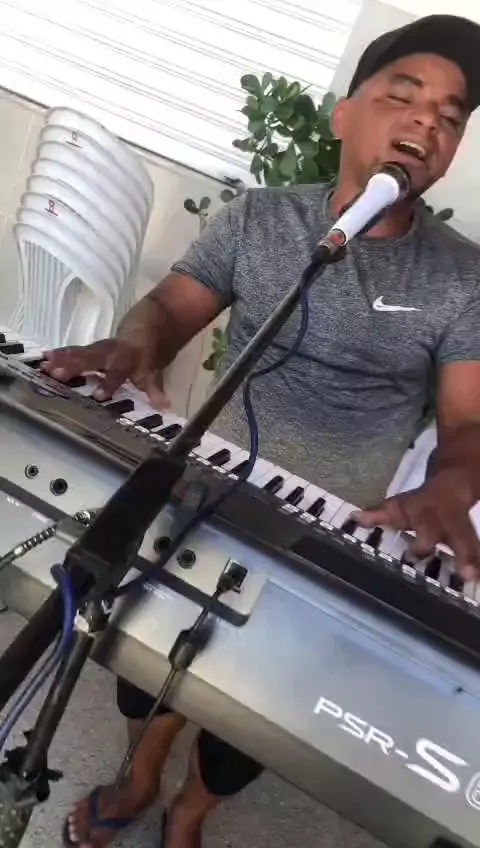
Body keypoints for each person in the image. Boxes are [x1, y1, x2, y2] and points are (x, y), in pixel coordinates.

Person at [42, 13, 480, 848]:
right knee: (143, 668)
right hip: (203, 495)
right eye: (404, 95)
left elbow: (469, 421)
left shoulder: (464, 279)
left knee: (255, 715)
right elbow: (169, 309)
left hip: (327, 535)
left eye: (451, 116)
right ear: (343, 115)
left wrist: (455, 482)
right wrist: (133, 345)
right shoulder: (262, 219)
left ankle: (193, 806)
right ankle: (141, 770)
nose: (428, 121)